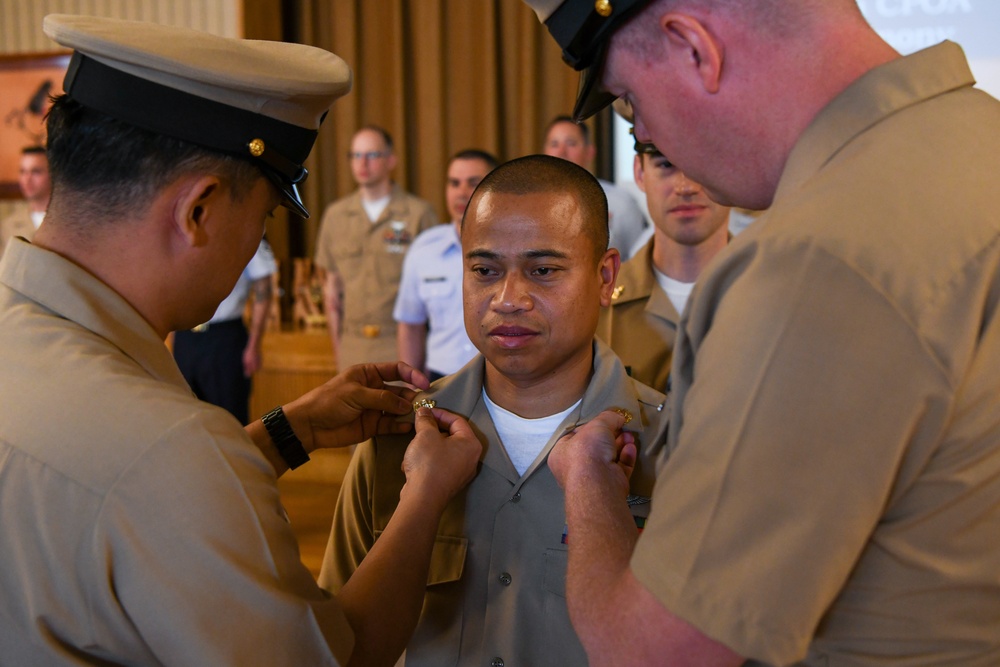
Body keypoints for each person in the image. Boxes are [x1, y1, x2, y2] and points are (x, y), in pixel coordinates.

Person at [525, 0, 1000, 665]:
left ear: (694, 48)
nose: (653, 130)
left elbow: (657, 652)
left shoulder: (816, 261)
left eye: (631, 103)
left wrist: (588, 484)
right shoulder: (978, 139)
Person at [0, 15, 481, 667]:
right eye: (263, 218)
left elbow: (107, 512)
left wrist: (290, 431)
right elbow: (339, 657)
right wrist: (425, 495)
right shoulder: (170, 453)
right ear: (198, 211)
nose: (259, 243)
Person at [320, 154, 669, 666]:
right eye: (484, 270)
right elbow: (335, 640)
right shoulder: (402, 436)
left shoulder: (671, 442)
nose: (507, 299)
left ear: (604, 276)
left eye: (543, 270)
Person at [597, 101, 729, 390]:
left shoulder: (776, 291)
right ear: (640, 172)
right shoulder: (595, 306)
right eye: (666, 165)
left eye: (702, 165)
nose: (685, 186)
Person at [315, 125, 437, 367]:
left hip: (401, 342)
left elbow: (434, 288)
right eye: (356, 155)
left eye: (372, 155)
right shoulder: (336, 215)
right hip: (352, 344)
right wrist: (339, 351)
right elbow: (332, 291)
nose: (363, 163)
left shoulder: (418, 214)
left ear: (391, 160)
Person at [394, 149, 499, 381]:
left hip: (505, 381)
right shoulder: (424, 248)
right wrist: (411, 386)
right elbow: (411, 324)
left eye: (473, 183)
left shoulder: (518, 246)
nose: (462, 193)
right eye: (454, 183)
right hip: (441, 380)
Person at [172, 238, 277, 424]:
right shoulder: (182, 230)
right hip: (185, 335)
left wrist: (254, 345)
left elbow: (264, 286)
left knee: (230, 420)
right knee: (185, 418)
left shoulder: (242, 229)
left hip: (224, 337)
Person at [543, 114, 647, 259]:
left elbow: (636, 260)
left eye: (571, 143)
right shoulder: (531, 203)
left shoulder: (621, 202)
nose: (561, 152)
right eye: (554, 144)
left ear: (590, 151)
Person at [0, 145, 51, 253]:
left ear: (52, 174)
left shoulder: (66, 222)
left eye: (36, 171)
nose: (27, 179)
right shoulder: (8, 224)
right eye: (23, 171)